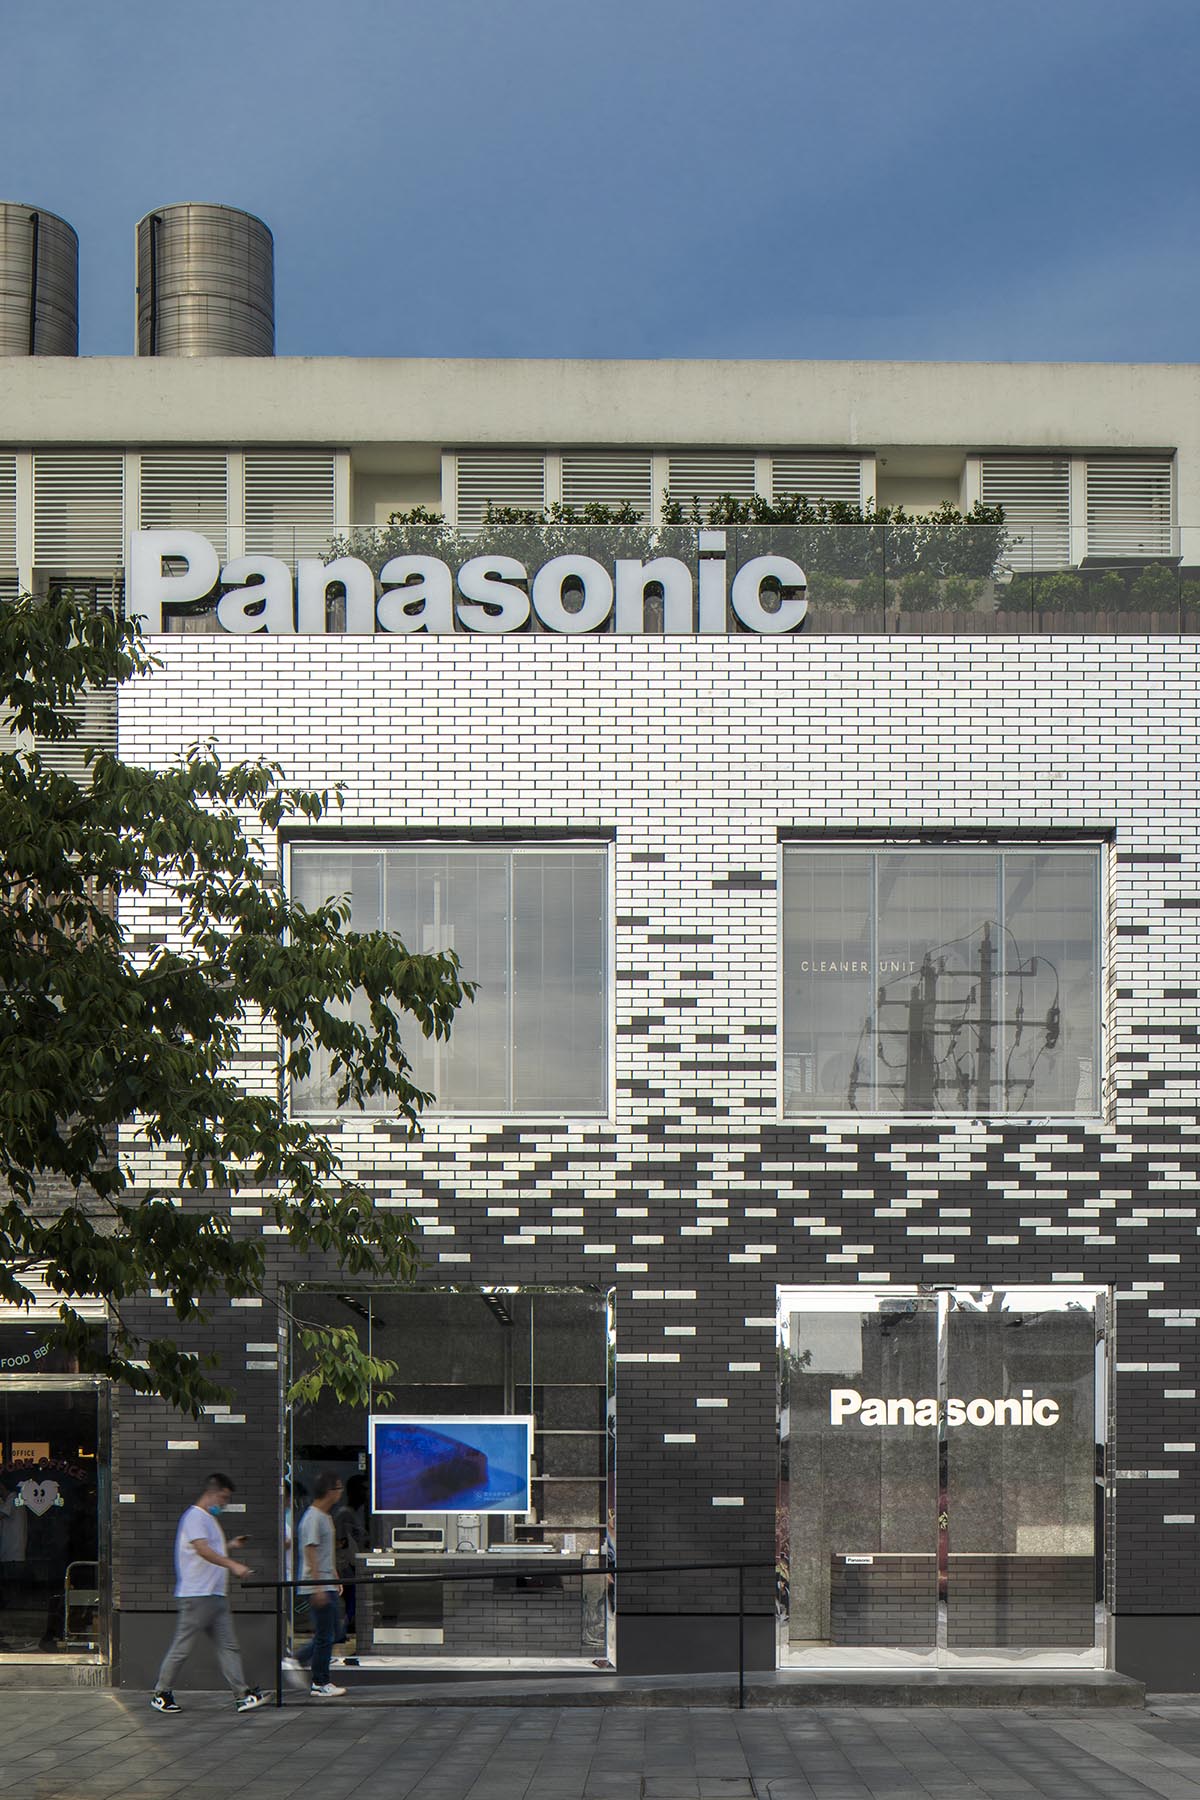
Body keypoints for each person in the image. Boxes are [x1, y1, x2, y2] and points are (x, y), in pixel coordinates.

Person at [151, 1472, 266, 1715]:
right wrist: (234, 1565)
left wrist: (232, 1545)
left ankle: (242, 1695)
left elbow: (209, 1549)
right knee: (182, 1648)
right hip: (196, 1596)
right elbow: (202, 1551)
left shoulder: (208, 1520)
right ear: (212, 1494)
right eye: (223, 1498)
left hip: (215, 1595)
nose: (224, 1504)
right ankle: (161, 1693)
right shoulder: (194, 1517)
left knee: (229, 1647)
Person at [292, 1471, 346, 1699]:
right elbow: (310, 1551)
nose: (341, 1493)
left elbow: (323, 1552)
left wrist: (333, 1576)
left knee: (333, 1631)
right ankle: (319, 1681)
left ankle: (299, 1659)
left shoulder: (325, 1516)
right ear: (329, 1491)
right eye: (338, 1488)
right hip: (318, 1584)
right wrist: (319, 1585)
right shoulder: (313, 1517)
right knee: (326, 1634)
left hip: (326, 1582)